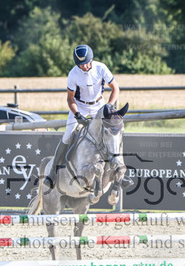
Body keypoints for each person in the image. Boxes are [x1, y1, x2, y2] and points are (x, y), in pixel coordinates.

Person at [45, 44, 125, 187]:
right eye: (80, 64)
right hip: (80, 106)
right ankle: (53, 171)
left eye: (86, 63)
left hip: (99, 105)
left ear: (91, 59)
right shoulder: (73, 74)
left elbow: (115, 88)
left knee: (112, 133)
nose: (84, 66)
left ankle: (119, 171)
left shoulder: (101, 68)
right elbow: (70, 99)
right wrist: (77, 114)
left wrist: (109, 105)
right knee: (68, 135)